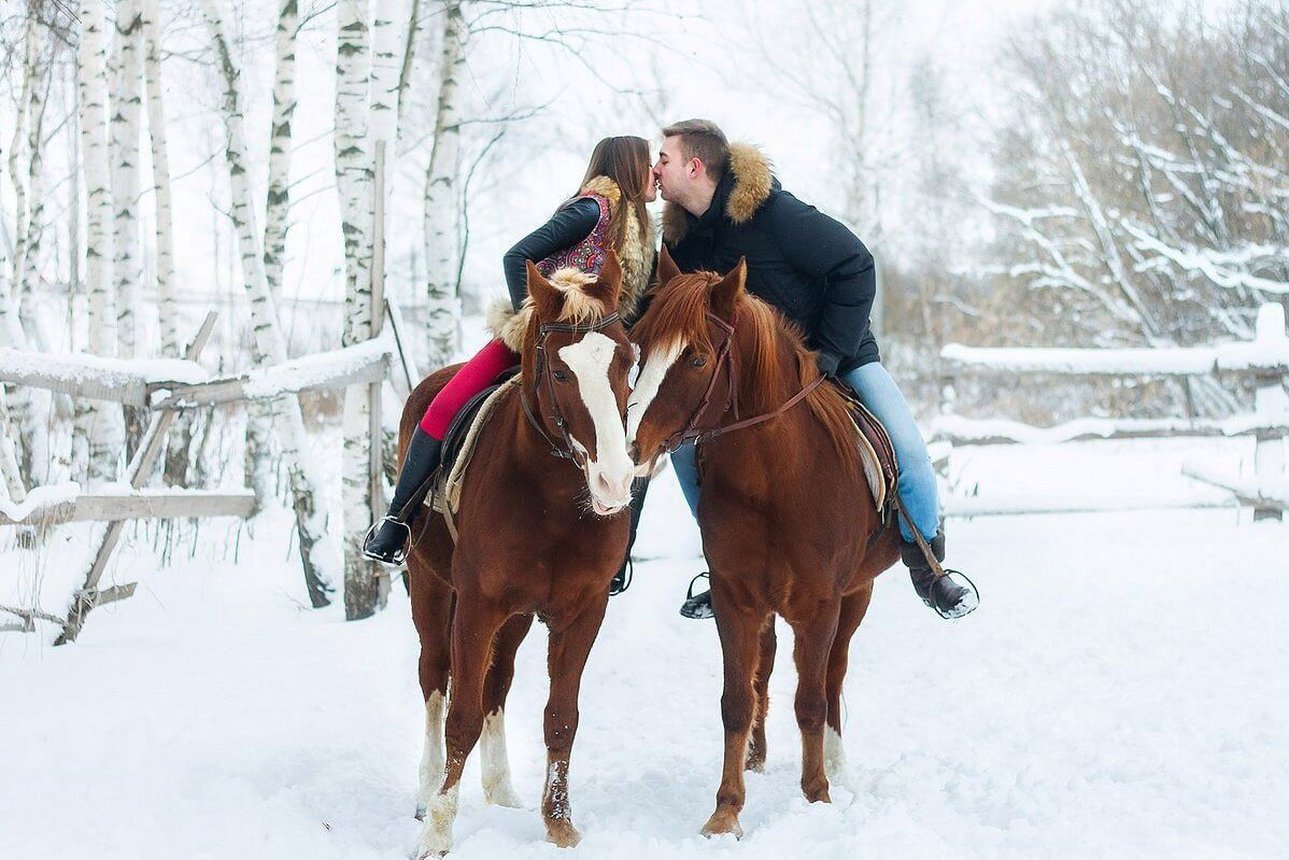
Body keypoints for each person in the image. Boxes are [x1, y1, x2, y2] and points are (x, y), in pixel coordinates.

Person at [651, 119, 977, 620]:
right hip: (745, 380)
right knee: (679, 446)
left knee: (908, 448)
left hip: (838, 354)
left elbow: (856, 264)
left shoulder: (777, 216)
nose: (656, 169)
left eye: (664, 159)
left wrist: (829, 352)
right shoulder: (681, 246)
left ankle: (928, 564)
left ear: (694, 167)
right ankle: (724, 561)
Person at [363, 136, 657, 566]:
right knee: (444, 404)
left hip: (595, 355)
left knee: (638, 434)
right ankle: (397, 521)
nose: (655, 174)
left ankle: (618, 550)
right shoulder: (591, 209)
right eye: (650, 164)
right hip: (545, 336)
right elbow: (517, 255)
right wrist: (536, 328)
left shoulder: (643, 228)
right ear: (631, 167)